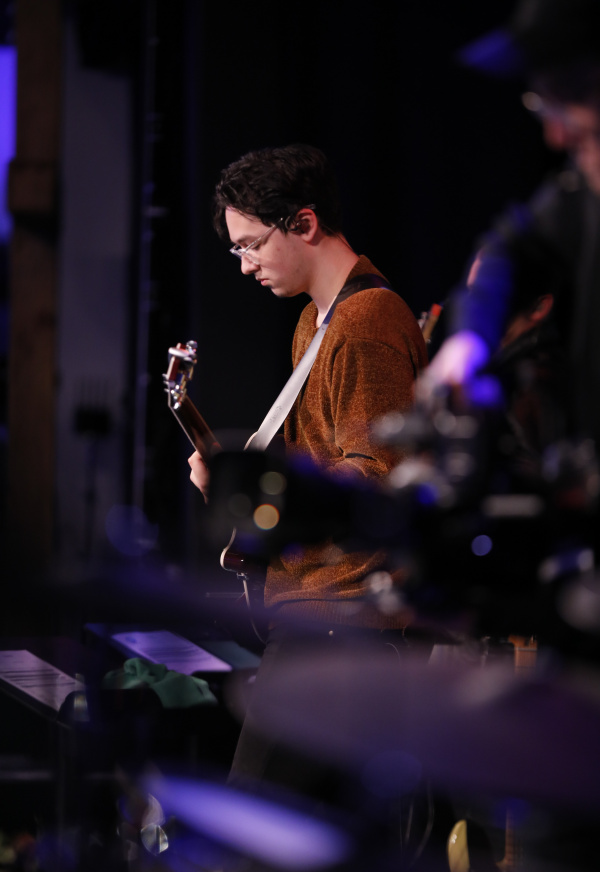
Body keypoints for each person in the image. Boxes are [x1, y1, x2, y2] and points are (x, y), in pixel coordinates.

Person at [187, 143, 429, 791]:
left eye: (251, 245)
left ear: (304, 222)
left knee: (253, 819)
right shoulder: (314, 323)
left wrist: (261, 489)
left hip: (344, 618)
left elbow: (377, 480)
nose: (245, 265)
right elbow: (319, 462)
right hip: (316, 610)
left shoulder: (367, 321)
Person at [423, 0, 600, 454]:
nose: (555, 137)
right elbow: (508, 246)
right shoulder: (578, 194)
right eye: (544, 105)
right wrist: (469, 341)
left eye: (570, 99)